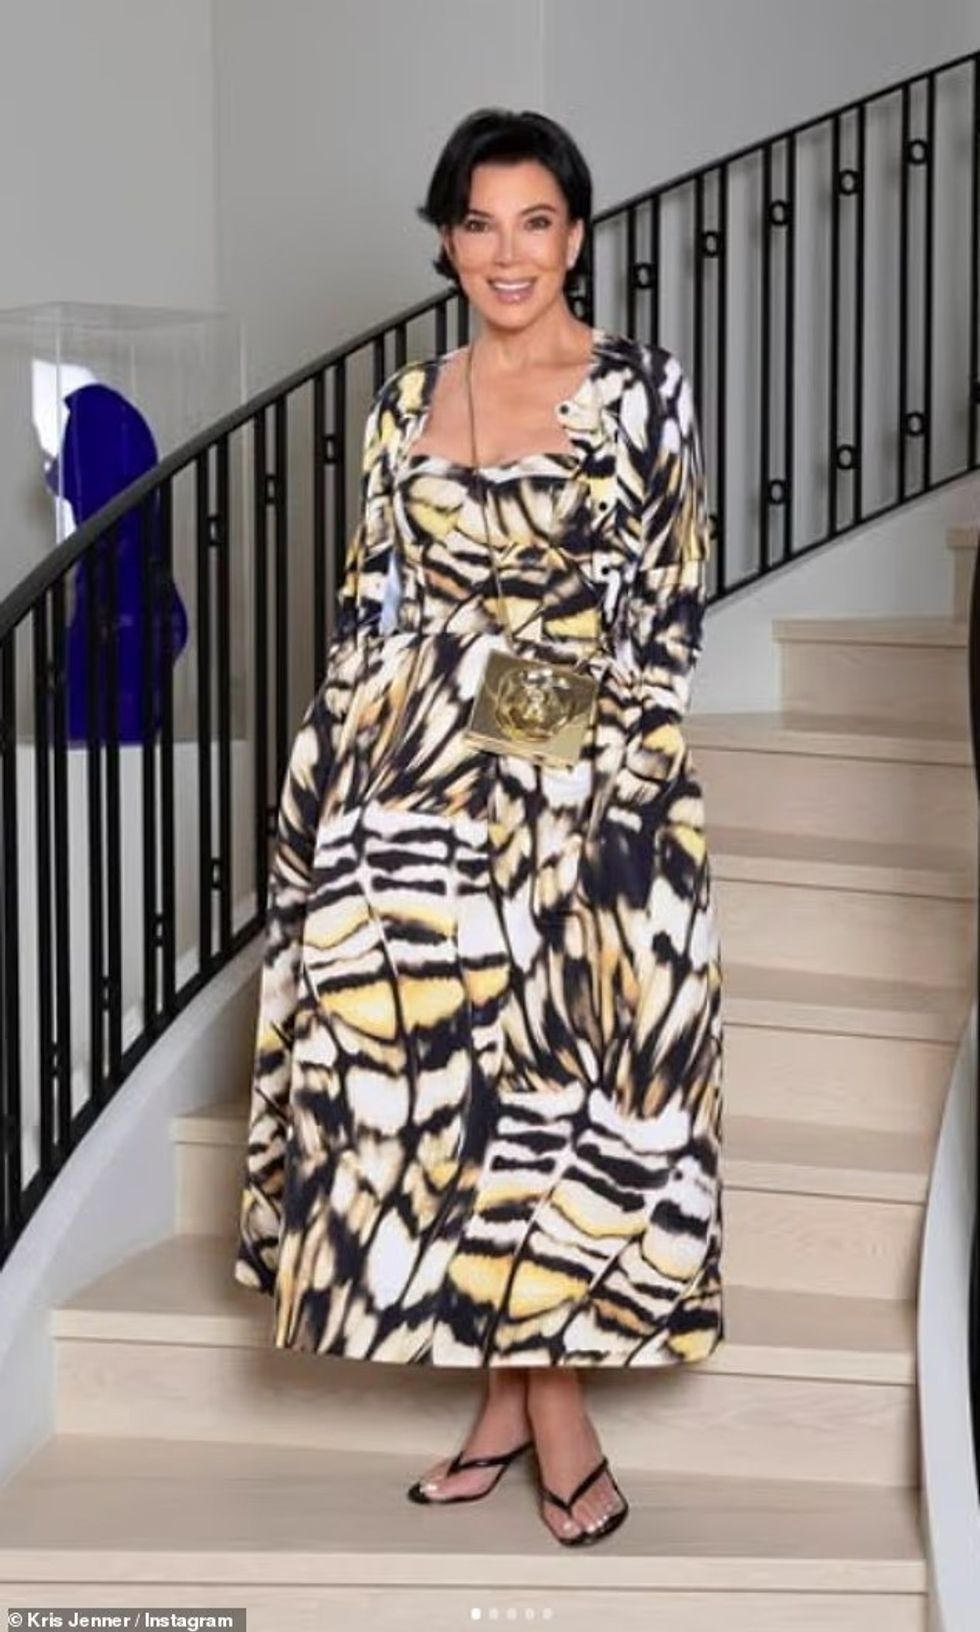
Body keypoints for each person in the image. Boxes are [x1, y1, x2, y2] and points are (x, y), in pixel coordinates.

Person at [234, 106, 724, 1549]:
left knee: (557, 1095)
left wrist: (549, 776)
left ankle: (547, 1412)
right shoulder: (403, 403)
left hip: (581, 791)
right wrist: (340, 784)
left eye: (536, 222)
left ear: (574, 236)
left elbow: (662, 615)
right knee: (445, 1089)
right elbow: (369, 608)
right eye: (478, 223)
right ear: (447, 241)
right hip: (402, 790)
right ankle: (511, 1408)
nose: (508, 253)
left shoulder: (642, 390)